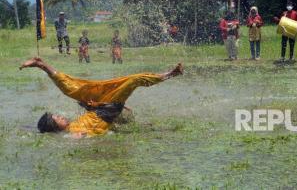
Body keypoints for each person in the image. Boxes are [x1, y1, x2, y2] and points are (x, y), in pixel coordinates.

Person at [19, 57, 183, 138]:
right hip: (108, 109)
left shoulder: (73, 125)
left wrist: (91, 107)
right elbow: (81, 136)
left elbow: (92, 122)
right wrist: (75, 139)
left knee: (72, 86)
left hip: (104, 107)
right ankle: (170, 75)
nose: (60, 116)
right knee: (135, 80)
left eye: (57, 115)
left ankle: (42, 65)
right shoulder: (73, 131)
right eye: (57, 118)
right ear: (55, 127)